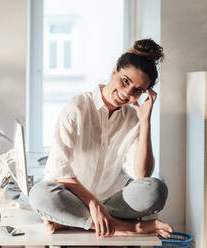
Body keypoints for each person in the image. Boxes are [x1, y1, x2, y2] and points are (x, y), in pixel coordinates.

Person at [29, 38, 173, 238]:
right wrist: (92, 203)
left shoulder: (132, 118)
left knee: (156, 189)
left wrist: (145, 121)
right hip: (71, 197)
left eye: (137, 91)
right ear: (114, 71)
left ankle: (74, 221)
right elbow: (59, 171)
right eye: (125, 81)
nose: (126, 93)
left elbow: (142, 174)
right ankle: (130, 227)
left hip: (111, 202)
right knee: (39, 195)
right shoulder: (78, 107)